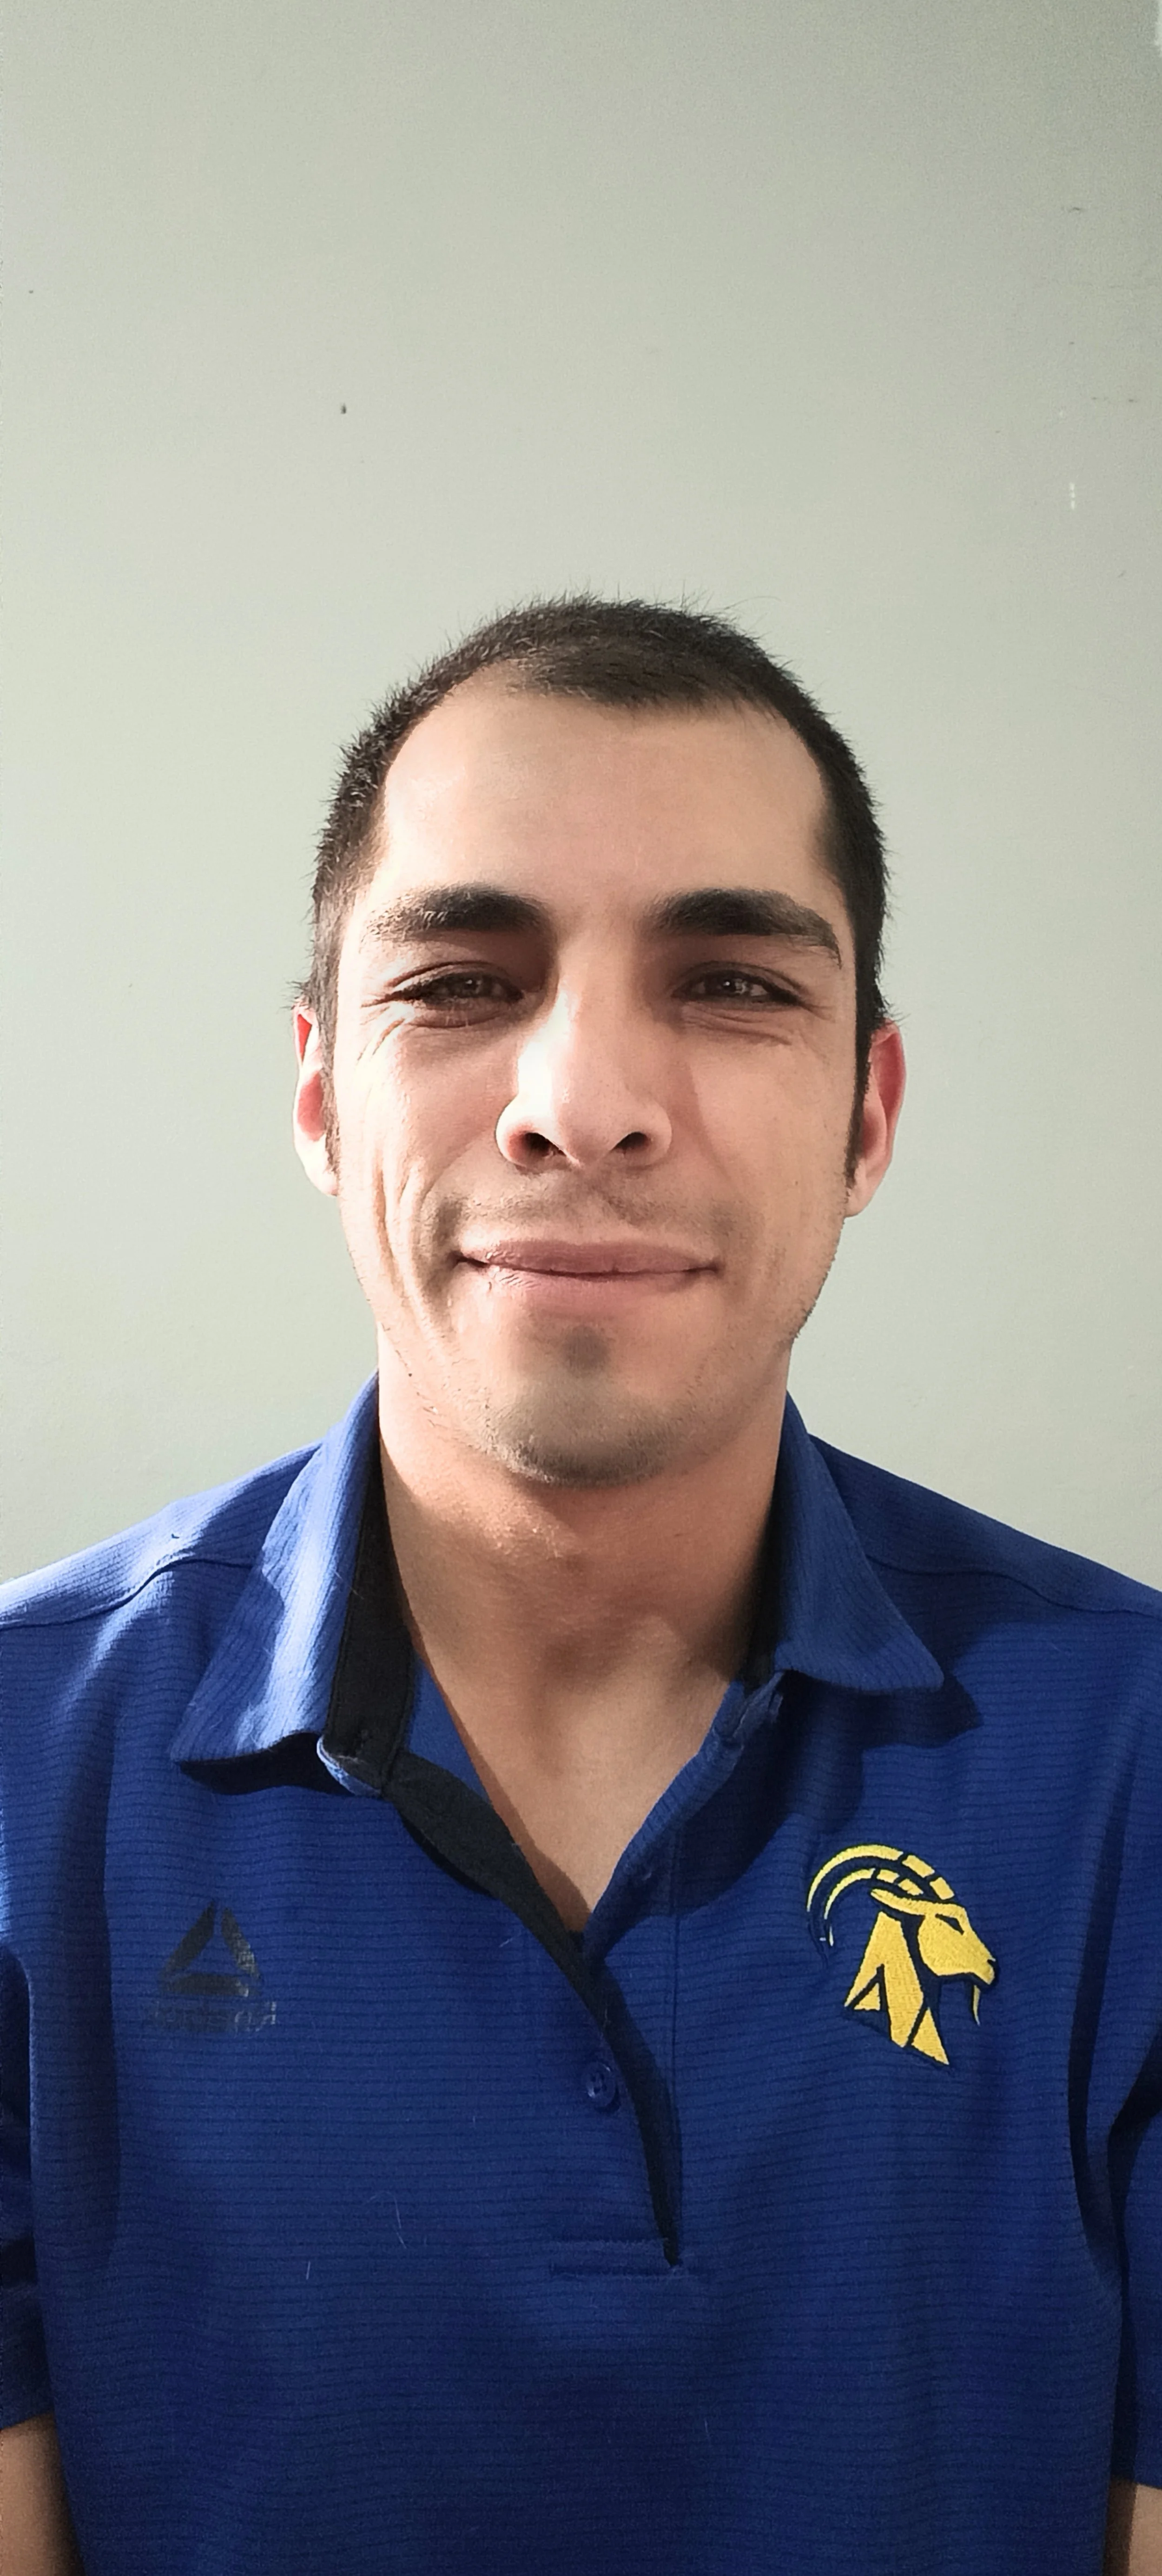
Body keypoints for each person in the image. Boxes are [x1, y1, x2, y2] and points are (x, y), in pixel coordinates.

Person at [1, 598, 1159, 2576]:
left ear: (869, 1113)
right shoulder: (25, 1774)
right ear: (320, 1097)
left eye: (730, 982)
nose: (583, 1096)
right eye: (462, 979)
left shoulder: (1128, 1762)